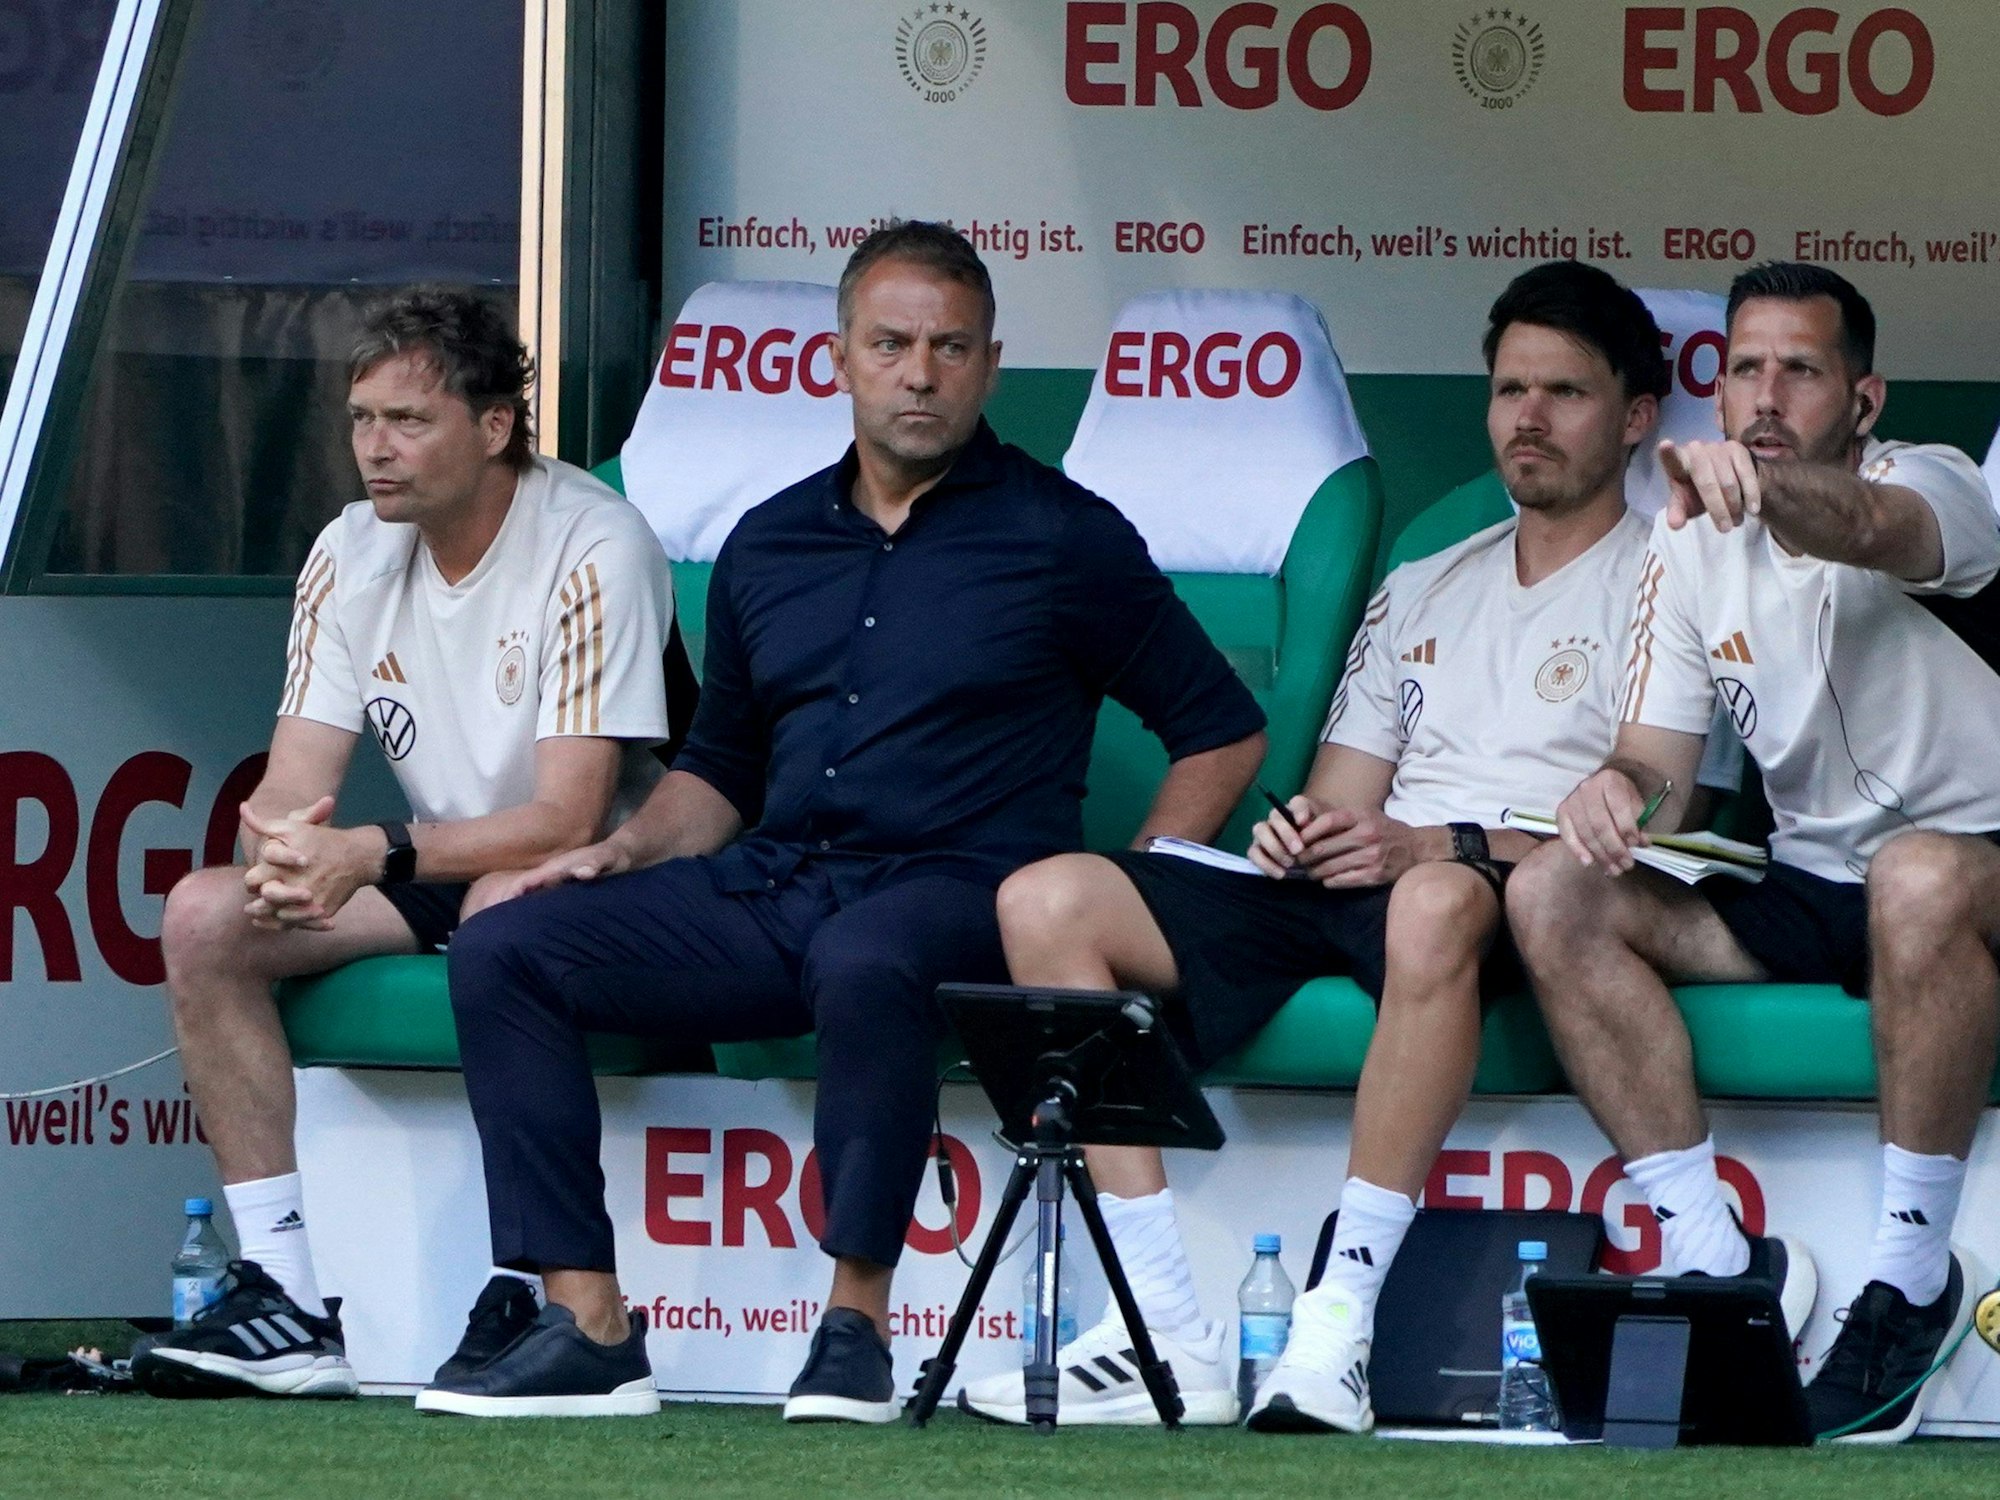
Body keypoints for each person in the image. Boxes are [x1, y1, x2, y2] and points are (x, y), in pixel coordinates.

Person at [421, 220, 1269, 1420]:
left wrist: (1130, 889)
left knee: (867, 957)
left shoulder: (1059, 534)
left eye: (948, 347)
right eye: (891, 344)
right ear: (839, 357)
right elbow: (718, 767)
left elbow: (1219, 727)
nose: (918, 372)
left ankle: (854, 1325)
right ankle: (589, 1322)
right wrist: (612, 852)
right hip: (776, 884)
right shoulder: (767, 542)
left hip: (962, 892)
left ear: (988, 365)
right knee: (510, 944)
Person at [968, 261, 1753, 1433]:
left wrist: (1424, 845)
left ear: (1637, 417)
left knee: (1431, 901)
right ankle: (1160, 1328)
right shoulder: (1424, 579)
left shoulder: (1673, 574)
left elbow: (1660, 809)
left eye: (1564, 393)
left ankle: (1336, 1324)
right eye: (1507, 391)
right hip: (1381, 872)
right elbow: (1346, 796)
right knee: (1045, 901)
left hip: (1524, 887)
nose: (1525, 419)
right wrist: (1306, 831)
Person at [134, 290, 683, 1399]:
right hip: (446, 860)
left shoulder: (593, 541)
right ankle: (282, 1296)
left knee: (506, 906)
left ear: (493, 428)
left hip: (627, 876)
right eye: (360, 419)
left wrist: (373, 851)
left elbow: (568, 816)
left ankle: (519, 1283)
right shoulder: (351, 546)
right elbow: (297, 777)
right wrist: (288, 849)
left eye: (407, 422)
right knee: (205, 916)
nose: (374, 450)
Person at [1506, 261, 2000, 1443]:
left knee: (1915, 873)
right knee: (1550, 892)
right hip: (1811, 883)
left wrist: (1769, 496)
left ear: (1862, 399)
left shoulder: (1933, 482)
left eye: (1800, 369)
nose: (1765, 394)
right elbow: (1655, 758)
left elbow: (1875, 528)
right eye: (1741, 370)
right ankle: (1717, 1262)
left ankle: (1908, 1275)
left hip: (1974, 868)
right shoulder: (1686, 546)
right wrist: (1608, 790)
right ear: (1712, 393)